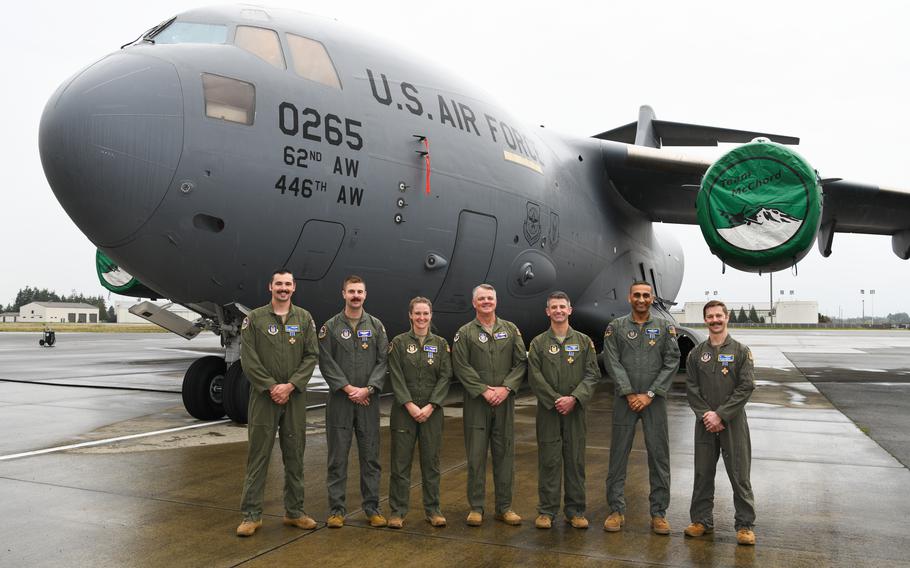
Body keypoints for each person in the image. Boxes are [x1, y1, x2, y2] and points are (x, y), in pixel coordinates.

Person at [236, 269, 319, 537]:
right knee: (258, 455)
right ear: (270, 287)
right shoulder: (255, 319)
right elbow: (248, 358)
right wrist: (271, 386)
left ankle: (295, 512)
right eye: (278, 284)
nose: (283, 288)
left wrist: (291, 385)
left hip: (294, 397)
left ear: (293, 288)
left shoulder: (304, 318)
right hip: (264, 397)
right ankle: (251, 515)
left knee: (295, 455)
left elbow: (311, 356)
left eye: (287, 284)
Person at [602, 281, 680, 534]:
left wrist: (649, 394)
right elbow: (612, 361)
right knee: (617, 457)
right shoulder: (616, 328)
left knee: (659, 457)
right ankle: (616, 510)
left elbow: (672, 361)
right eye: (637, 295)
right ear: (629, 298)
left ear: (652, 298)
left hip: (653, 401)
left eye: (646, 295)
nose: (641, 299)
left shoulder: (664, 327)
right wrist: (628, 392)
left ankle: (658, 513)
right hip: (624, 400)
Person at [452, 283, 527, 526]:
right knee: (476, 456)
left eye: (490, 298)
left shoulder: (511, 330)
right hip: (477, 403)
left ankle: (504, 507)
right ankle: (476, 508)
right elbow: (461, 366)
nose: (486, 302)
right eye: (482, 299)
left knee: (504, 455)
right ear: (474, 303)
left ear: (496, 301)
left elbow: (520, 363)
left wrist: (506, 389)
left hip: (504, 402)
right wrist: (484, 390)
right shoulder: (464, 333)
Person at [318, 275, 389, 528]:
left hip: (368, 402)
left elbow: (383, 361)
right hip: (340, 401)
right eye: (351, 291)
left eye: (359, 291)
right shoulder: (331, 327)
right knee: (337, 458)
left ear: (365, 295)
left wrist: (368, 389)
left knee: (371, 458)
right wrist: (349, 389)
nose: (356, 296)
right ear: (343, 294)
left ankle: (372, 508)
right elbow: (326, 362)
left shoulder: (377, 326)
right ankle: (337, 510)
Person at [684, 300, 756, 546]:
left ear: (726, 318)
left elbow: (746, 386)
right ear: (705, 320)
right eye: (710, 316)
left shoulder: (740, 351)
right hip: (704, 422)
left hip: (732, 423)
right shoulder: (696, 354)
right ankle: (701, 520)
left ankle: (745, 525)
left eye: (718, 316)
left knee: (739, 474)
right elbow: (691, 388)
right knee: (703, 472)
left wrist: (721, 415)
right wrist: (707, 415)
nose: (714, 320)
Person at [527, 291, 601, 530]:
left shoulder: (583, 342)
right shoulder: (538, 343)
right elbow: (534, 376)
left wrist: (574, 398)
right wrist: (555, 399)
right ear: (547, 312)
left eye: (562, 307)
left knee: (575, 461)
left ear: (570, 310)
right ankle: (546, 511)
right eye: (554, 307)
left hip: (575, 411)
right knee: (548, 461)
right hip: (549, 412)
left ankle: (576, 511)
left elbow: (592, 374)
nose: (558, 311)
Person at [386, 297, 452, 529]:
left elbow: (445, 377)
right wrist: (410, 405)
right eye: (417, 314)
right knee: (400, 463)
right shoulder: (399, 343)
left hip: (432, 412)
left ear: (431, 316)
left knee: (431, 463)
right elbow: (396, 376)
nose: (422, 318)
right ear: (410, 316)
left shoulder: (442, 345)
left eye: (425, 314)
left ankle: (433, 510)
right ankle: (397, 512)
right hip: (405, 411)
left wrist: (432, 405)